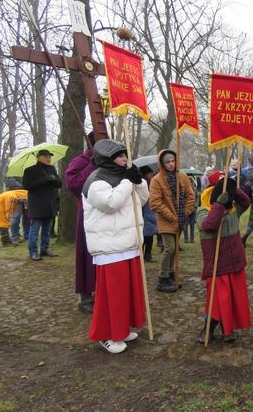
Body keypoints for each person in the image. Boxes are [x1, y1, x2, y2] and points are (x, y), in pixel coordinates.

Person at [82, 139, 148, 354]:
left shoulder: (123, 177)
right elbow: (110, 204)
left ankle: (121, 329)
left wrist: (139, 182)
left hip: (127, 243)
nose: (125, 159)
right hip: (110, 247)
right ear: (108, 159)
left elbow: (143, 200)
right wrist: (128, 182)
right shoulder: (95, 181)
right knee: (112, 295)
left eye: (124, 155)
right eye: (120, 156)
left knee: (127, 292)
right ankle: (106, 334)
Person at [196, 177, 251, 344]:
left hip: (234, 263)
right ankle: (208, 329)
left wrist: (233, 188)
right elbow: (209, 226)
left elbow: (246, 201)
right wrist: (218, 205)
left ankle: (228, 329)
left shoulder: (234, 210)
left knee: (232, 300)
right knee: (218, 301)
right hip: (217, 265)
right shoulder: (202, 212)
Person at [149, 149, 196, 293]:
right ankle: (162, 279)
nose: (171, 164)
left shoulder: (182, 177)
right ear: (162, 164)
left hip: (181, 218)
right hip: (166, 220)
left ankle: (170, 276)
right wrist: (172, 216)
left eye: (172, 161)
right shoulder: (156, 180)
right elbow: (155, 202)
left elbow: (190, 196)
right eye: (167, 162)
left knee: (175, 248)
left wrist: (185, 212)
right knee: (169, 248)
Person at [65, 132, 98, 313]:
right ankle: (86, 296)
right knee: (86, 254)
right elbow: (75, 185)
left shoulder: (109, 162)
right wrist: (92, 165)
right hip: (86, 214)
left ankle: (101, 292)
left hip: (106, 217)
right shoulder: (80, 161)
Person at [23, 149, 62, 260]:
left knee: (47, 230)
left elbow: (60, 183)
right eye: (45, 156)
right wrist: (44, 180)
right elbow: (26, 185)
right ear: (38, 157)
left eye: (49, 156)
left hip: (50, 204)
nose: (48, 158)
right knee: (34, 230)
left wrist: (53, 179)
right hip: (37, 205)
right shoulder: (30, 170)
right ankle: (33, 252)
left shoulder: (52, 169)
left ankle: (45, 249)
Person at [141, 167, 158, 262]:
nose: (152, 176)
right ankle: (144, 255)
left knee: (149, 237)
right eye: (150, 175)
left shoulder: (152, 185)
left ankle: (148, 254)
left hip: (150, 214)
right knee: (144, 237)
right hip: (145, 214)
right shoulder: (143, 185)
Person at [5, 176, 29, 243]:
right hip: (15, 197)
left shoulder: (27, 169)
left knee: (27, 216)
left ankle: (27, 235)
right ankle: (15, 236)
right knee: (15, 216)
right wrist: (25, 185)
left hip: (26, 196)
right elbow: (10, 183)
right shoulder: (9, 168)